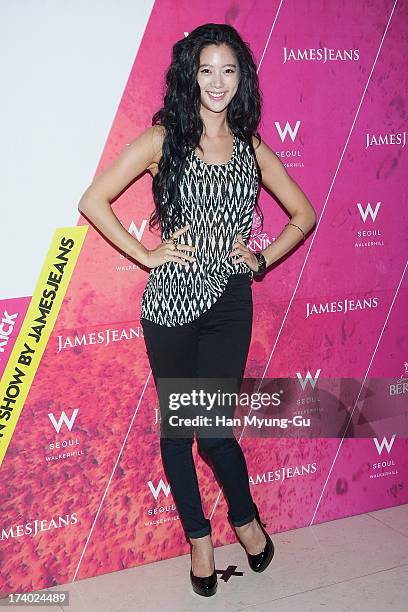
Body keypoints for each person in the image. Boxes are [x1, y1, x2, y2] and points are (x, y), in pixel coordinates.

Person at [78, 23, 316, 598]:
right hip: (171, 299)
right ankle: (198, 539)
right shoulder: (164, 140)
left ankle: (245, 518)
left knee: (212, 431)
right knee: (178, 427)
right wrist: (145, 253)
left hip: (230, 302)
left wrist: (259, 259)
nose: (217, 82)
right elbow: (92, 200)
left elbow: (303, 215)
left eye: (228, 70)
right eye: (206, 69)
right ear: (191, 74)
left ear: (242, 79)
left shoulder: (251, 148)